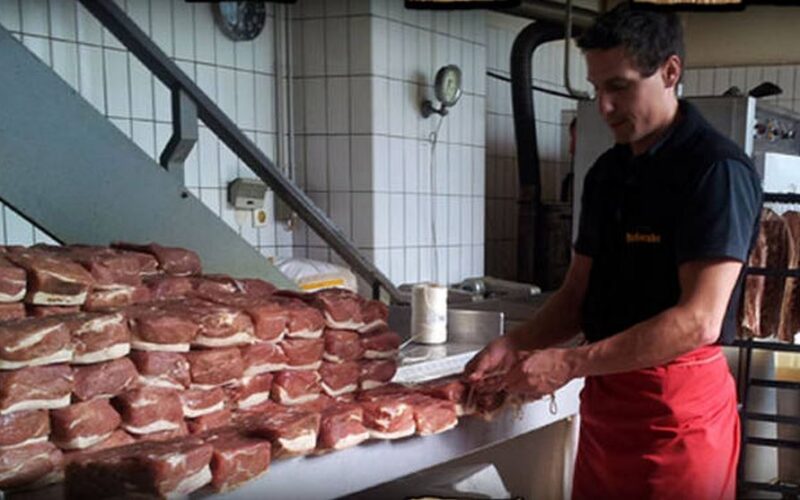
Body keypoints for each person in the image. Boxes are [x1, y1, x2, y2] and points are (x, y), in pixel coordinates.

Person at [464, 5, 762, 499]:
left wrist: (568, 363)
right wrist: (516, 343)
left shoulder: (715, 171)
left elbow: (698, 321)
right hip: (608, 406)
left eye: (619, 87)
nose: (603, 106)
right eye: (596, 89)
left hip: (677, 417)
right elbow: (577, 294)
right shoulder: (606, 173)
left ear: (670, 72)